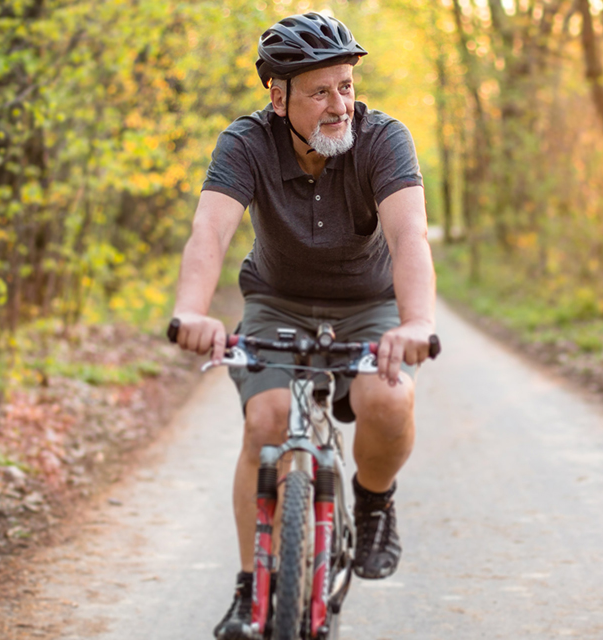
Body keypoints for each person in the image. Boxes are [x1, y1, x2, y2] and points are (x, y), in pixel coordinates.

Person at [169, 12, 436, 640]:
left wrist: (417, 321)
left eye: (345, 86)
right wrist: (190, 310)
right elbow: (210, 229)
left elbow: (409, 237)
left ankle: (373, 499)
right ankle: (248, 589)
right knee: (264, 424)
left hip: (367, 306)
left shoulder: (383, 139)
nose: (339, 104)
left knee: (389, 401)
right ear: (278, 96)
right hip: (278, 303)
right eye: (320, 91)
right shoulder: (246, 143)